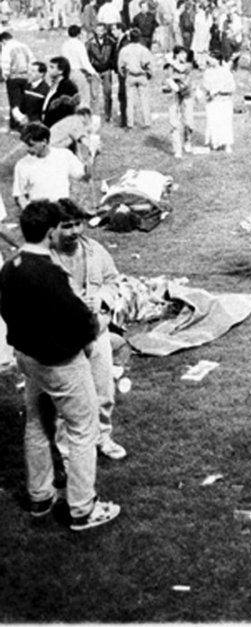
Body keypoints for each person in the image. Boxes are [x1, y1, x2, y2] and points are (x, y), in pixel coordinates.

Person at [0, 199, 120, 531]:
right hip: (59, 362)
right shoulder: (51, 273)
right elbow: (81, 323)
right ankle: (83, 508)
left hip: (28, 358)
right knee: (83, 429)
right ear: (51, 231)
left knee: (37, 425)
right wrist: (91, 326)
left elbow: (8, 314)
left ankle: (40, 495)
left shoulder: (10, 267)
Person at [49, 198, 126, 461]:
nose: (73, 231)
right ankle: (67, 452)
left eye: (77, 224)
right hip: (63, 341)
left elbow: (114, 281)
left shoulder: (95, 251)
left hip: (97, 332)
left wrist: (103, 295)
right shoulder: (46, 258)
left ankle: (103, 437)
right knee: (68, 400)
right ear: (53, 228)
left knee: (104, 391)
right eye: (66, 226)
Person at [13, 122, 86, 210]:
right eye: (26, 145)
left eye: (31, 145)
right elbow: (19, 195)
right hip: (40, 214)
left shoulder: (64, 155)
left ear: (44, 141)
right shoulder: (22, 165)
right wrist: (29, 213)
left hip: (62, 211)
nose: (28, 149)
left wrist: (92, 157)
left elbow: (84, 176)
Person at [117, 28, 154, 129]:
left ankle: (130, 123)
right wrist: (149, 74)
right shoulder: (144, 49)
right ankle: (147, 122)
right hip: (142, 75)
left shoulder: (124, 50)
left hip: (130, 75)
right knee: (144, 100)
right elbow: (150, 64)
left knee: (130, 101)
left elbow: (120, 65)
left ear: (130, 38)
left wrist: (124, 74)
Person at [163, 46, 196, 158]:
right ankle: (177, 149)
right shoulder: (169, 66)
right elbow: (166, 80)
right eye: (180, 53)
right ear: (176, 54)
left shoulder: (188, 65)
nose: (183, 55)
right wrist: (168, 84)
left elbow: (182, 70)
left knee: (189, 122)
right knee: (174, 123)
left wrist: (171, 61)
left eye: (184, 53)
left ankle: (187, 140)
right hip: (174, 95)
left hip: (187, 94)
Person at [201, 54, 236, 151]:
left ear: (217, 60)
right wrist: (211, 91)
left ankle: (227, 144)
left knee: (225, 122)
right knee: (213, 122)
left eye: (212, 58)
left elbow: (232, 87)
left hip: (224, 101)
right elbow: (205, 85)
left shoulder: (225, 71)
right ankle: (214, 142)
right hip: (212, 101)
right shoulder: (207, 72)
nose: (210, 60)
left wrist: (219, 90)